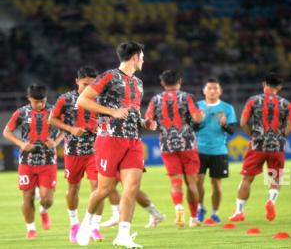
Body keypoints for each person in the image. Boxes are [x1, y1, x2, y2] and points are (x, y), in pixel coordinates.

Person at [75, 42, 155, 248]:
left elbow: (133, 111)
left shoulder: (138, 83)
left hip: (133, 139)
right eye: (143, 56)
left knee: (131, 187)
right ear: (135, 57)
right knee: (104, 189)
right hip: (109, 138)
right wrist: (111, 112)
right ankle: (87, 224)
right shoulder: (109, 76)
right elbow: (82, 101)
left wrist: (145, 123)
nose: (144, 60)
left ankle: (124, 235)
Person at [229, 72, 291, 222]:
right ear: (279, 87)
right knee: (275, 178)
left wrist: (252, 134)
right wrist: (279, 137)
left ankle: (239, 212)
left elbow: (243, 122)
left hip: (257, 145)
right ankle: (271, 201)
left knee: (247, 178)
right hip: (277, 147)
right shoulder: (286, 104)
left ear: (263, 84)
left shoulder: (253, 101)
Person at [49, 66, 104, 243]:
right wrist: (71, 128)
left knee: (99, 187)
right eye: (85, 84)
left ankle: (94, 226)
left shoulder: (100, 99)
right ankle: (74, 224)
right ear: (77, 81)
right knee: (74, 188)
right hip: (73, 151)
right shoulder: (65, 99)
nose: (89, 88)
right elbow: (52, 119)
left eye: (92, 84)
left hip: (96, 150)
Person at [145, 69, 204, 228]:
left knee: (175, 182)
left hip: (167, 145)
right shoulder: (187, 97)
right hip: (188, 144)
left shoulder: (155, 99)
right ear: (180, 82)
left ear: (162, 83)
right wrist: (201, 115)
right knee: (192, 183)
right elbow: (197, 118)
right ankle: (194, 218)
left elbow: (148, 122)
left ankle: (178, 206)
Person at [3, 84, 63, 239]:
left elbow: (66, 129)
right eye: (36, 102)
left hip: (48, 160)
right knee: (27, 196)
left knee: (47, 199)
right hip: (26, 161)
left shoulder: (54, 111)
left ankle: (44, 211)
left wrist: (56, 142)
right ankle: (30, 228)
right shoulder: (21, 113)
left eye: (42, 101)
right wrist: (22, 144)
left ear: (46, 98)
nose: (40, 105)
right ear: (29, 98)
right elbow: (7, 132)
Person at [195, 78, 237, 224]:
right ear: (204, 91)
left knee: (216, 185)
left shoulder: (227, 108)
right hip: (199, 150)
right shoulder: (197, 106)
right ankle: (200, 208)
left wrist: (224, 125)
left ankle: (214, 213)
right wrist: (197, 122)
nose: (212, 91)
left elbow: (232, 130)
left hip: (219, 151)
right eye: (210, 88)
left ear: (220, 91)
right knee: (197, 181)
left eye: (215, 88)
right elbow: (190, 128)